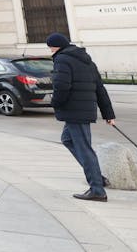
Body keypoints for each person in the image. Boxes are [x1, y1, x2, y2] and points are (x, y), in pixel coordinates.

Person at [48, 33, 115, 202]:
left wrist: (55, 103)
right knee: (67, 140)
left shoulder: (62, 59)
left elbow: (61, 86)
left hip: (74, 111)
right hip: (83, 110)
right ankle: (98, 178)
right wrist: (108, 114)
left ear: (55, 46)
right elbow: (100, 88)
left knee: (85, 149)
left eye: (50, 47)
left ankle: (97, 190)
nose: (49, 50)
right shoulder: (86, 60)